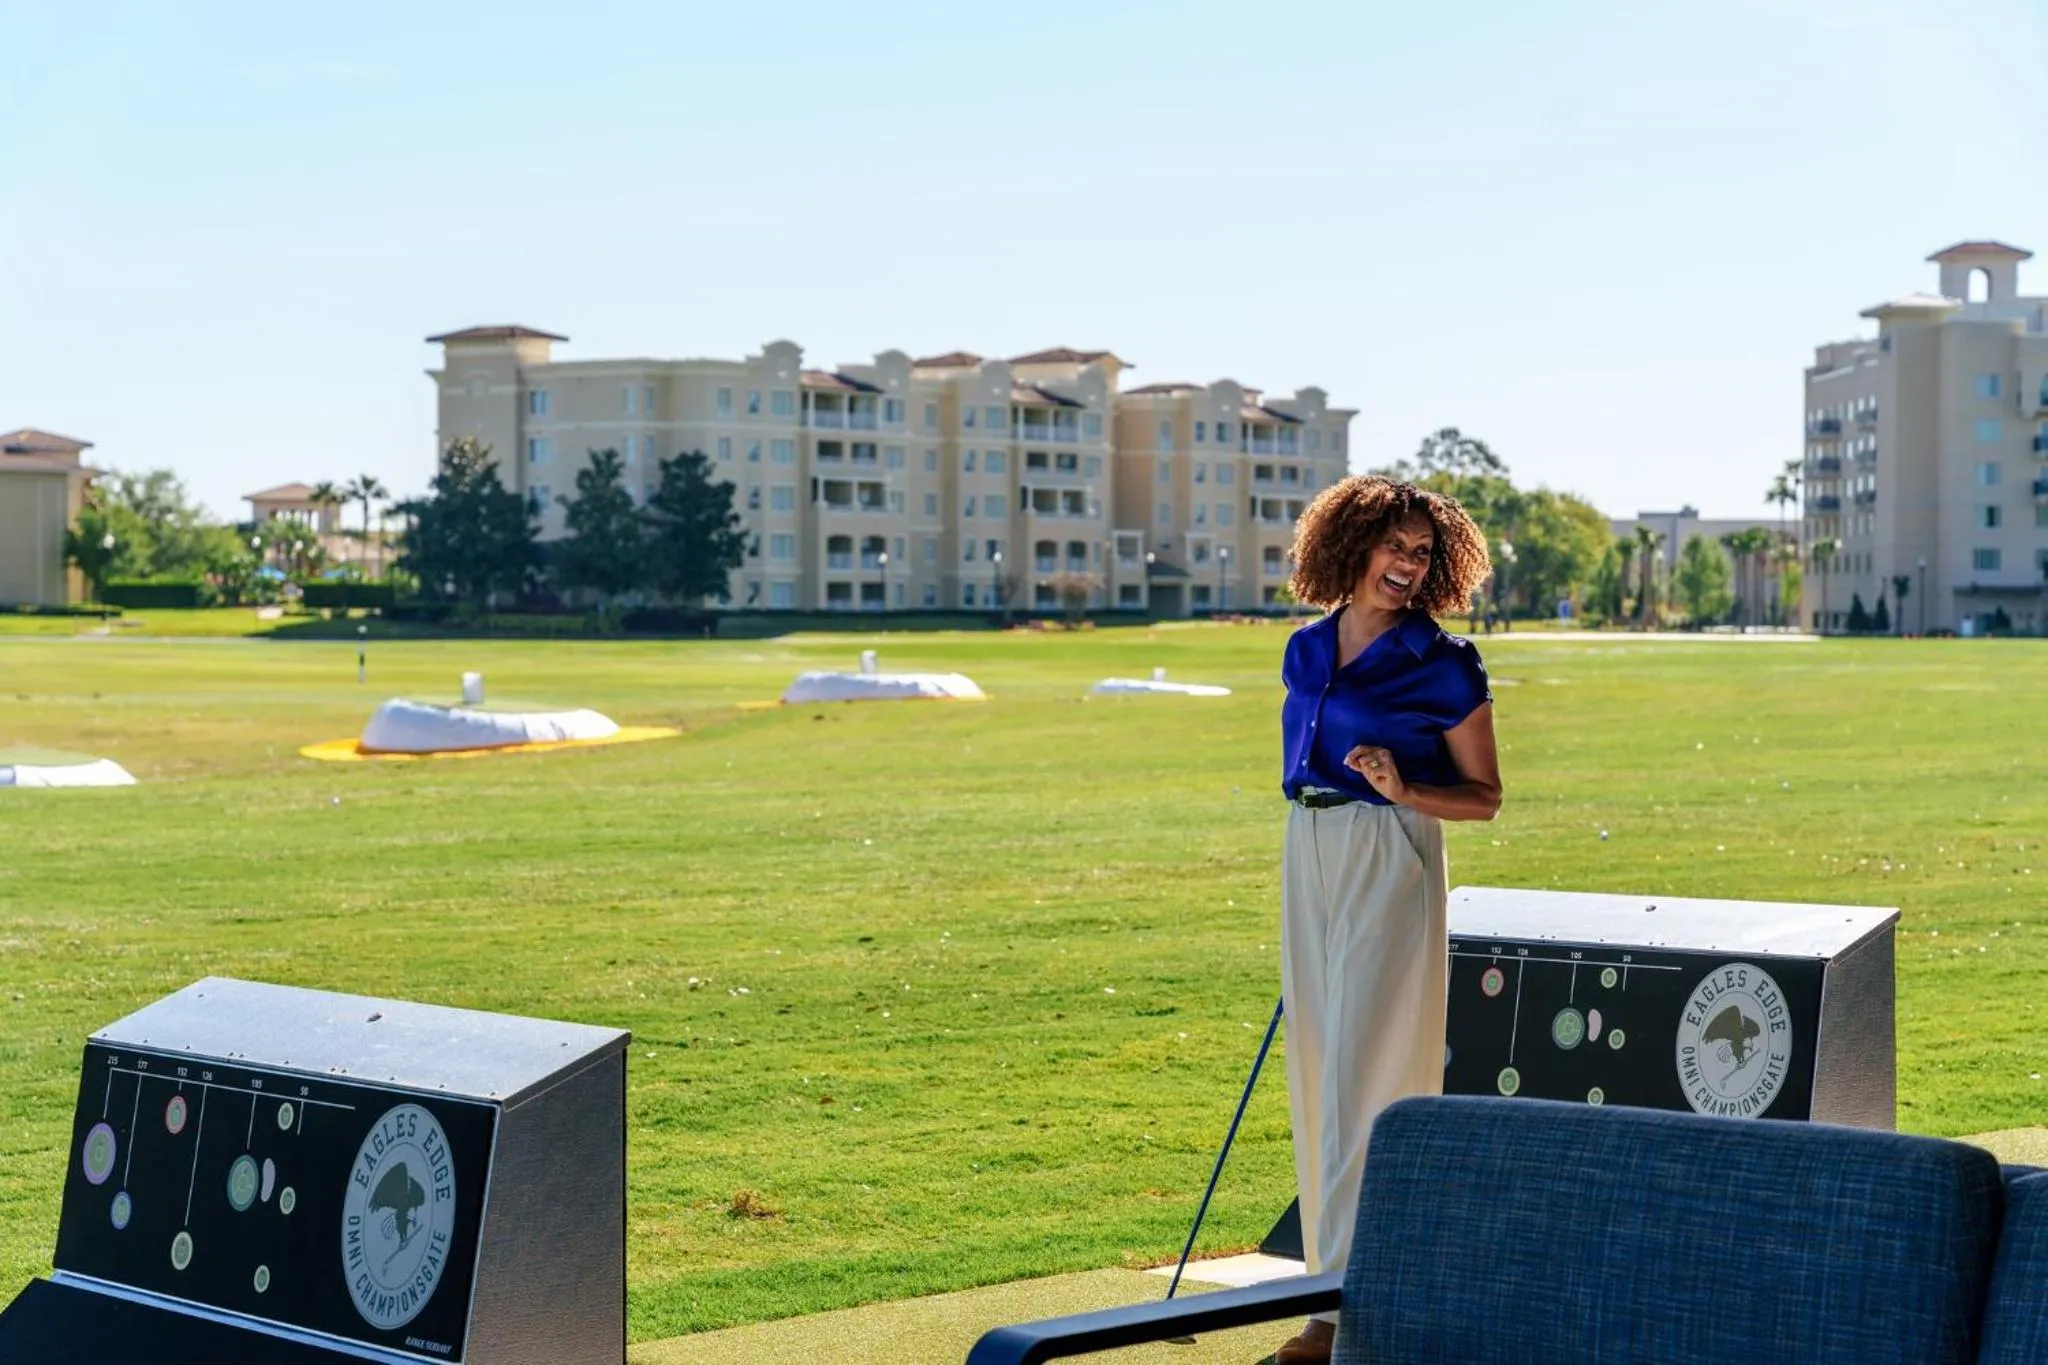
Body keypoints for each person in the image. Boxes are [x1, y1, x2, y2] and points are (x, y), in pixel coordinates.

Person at [1272, 476, 1503, 1365]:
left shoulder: (1443, 662)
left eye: (1422, 553)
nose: (1407, 565)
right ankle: (1331, 1287)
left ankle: (1336, 1314)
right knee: (1320, 1068)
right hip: (1309, 844)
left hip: (1390, 846)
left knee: (1372, 1075)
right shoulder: (1303, 649)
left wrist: (1406, 787)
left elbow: (1484, 797)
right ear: (1352, 545)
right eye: (1394, 546)